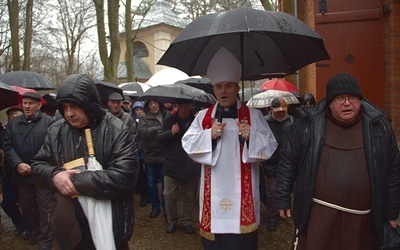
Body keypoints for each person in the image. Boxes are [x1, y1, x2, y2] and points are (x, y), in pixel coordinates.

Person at [276, 72, 400, 249]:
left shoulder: (379, 128)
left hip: (362, 221)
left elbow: (393, 171)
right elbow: (288, 161)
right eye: (340, 98)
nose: (347, 103)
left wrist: (391, 210)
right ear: (329, 103)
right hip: (319, 218)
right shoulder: (308, 125)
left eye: (353, 97)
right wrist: (282, 197)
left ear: (360, 100)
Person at [181, 47, 278, 249]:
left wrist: (252, 137)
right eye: (218, 87)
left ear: (237, 87)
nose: (223, 91)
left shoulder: (254, 116)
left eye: (228, 86)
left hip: (244, 194)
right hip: (213, 193)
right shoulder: (203, 118)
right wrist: (209, 136)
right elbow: (187, 144)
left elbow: (271, 146)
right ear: (213, 89)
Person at [31, 74, 139, 250]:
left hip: (110, 222)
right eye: (64, 107)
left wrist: (74, 182)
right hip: (70, 225)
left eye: (74, 106)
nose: (69, 113)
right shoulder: (56, 131)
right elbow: (37, 165)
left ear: (89, 104)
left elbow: (125, 176)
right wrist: (54, 175)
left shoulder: (117, 130)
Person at [3, 92, 55, 249]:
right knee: (27, 206)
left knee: (45, 206)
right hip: (22, 173)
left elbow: (51, 146)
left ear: (39, 105)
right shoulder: (13, 124)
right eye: (24, 103)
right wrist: (18, 164)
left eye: (30, 103)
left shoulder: (49, 122)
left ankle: (46, 238)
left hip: (42, 172)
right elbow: (7, 145)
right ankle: (39, 231)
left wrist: (37, 164)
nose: (26, 106)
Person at [157, 100, 201, 235]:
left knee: (189, 196)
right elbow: (158, 138)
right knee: (169, 194)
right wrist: (170, 133)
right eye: (181, 106)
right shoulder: (169, 120)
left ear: (190, 107)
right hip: (172, 164)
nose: (184, 109)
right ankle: (172, 220)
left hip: (191, 164)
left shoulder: (197, 121)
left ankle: (186, 221)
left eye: (186, 106)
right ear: (177, 107)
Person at [260, 97, 296, 232]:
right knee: (272, 191)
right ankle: (272, 217)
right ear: (271, 110)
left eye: (282, 110)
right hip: (271, 162)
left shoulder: (292, 122)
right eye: (277, 111)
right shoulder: (265, 122)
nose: (280, 113)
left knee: (287, 189)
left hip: (288, 162)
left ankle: (285, 210)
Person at [1, 106, 31, 238]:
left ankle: (28, 226)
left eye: (17, 115)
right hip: (9, 176)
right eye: (11, 115)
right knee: (7, 203)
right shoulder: (4, 131)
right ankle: (20, 223)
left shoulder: (28, 130)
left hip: (26, 174)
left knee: (27, 204)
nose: (14, 117)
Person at [137, 100, 171, 219]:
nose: (153, 105)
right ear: (147, 105)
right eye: (151, 103)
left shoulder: (167, 114)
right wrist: (159, 128)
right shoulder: (143, 116)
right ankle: (155, 207)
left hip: (165, 153)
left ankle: (167, 210)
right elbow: (143, 132)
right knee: (151, 184)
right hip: (150, 154)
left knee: (165, 185)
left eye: (155, 103)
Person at [131, 101, 148, 207]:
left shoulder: (147, 119)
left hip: (146, 150)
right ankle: (143, 195)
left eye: (141, 109)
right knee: (140, 174)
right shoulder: (131, 120)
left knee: (148, 175)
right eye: (137, 110)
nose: (139, 112)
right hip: (136, 151)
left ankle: (148, 195)